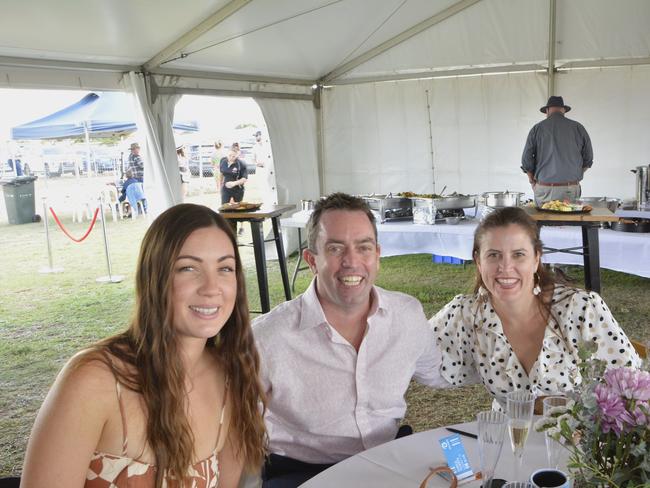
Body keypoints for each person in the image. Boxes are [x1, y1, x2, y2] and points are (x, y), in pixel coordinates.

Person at [21, 204, 267, 488]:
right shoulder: (93, 381)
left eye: (225, 268)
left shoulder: (230, 377)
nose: (212, 287)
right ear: (154, 277)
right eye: (188, 268)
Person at [252, 193, 447, 487]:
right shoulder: (267, 337)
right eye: (335, 248)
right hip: (304, 473)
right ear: (311, 260)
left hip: (390, 460)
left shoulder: (407, 314)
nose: (351, 262)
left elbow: (441, 373)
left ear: (377, 254)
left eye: (363, 247)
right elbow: (232, 427)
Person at [430, 206, 642, 412]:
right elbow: (415, 353)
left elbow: (632, 387)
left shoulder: (581, 309)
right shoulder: (466, 314)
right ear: (478, 261)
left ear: (536, 259)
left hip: (577, 442)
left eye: (518, 254)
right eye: (493, 255)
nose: (505, 267)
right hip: (509, 438)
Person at [521, 96, 593, 206]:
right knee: (570, 220)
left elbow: (527, 159)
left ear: (547, 110)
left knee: (543, 220)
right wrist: (577, 174)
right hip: (571, 188)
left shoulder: (537, 128)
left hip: (545, 188)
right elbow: (588, 159)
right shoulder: (578, 128)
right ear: (563, 110)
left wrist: (532, 181)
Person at [252, 130, 277, 206]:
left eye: (257, 136)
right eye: (255, 136)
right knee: (262, 187)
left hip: (268, 169)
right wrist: (257, 163)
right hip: (260, 169)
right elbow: (253, 159)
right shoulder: (255, 147)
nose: (256, 137)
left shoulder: (267, 146)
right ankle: (266, 202)